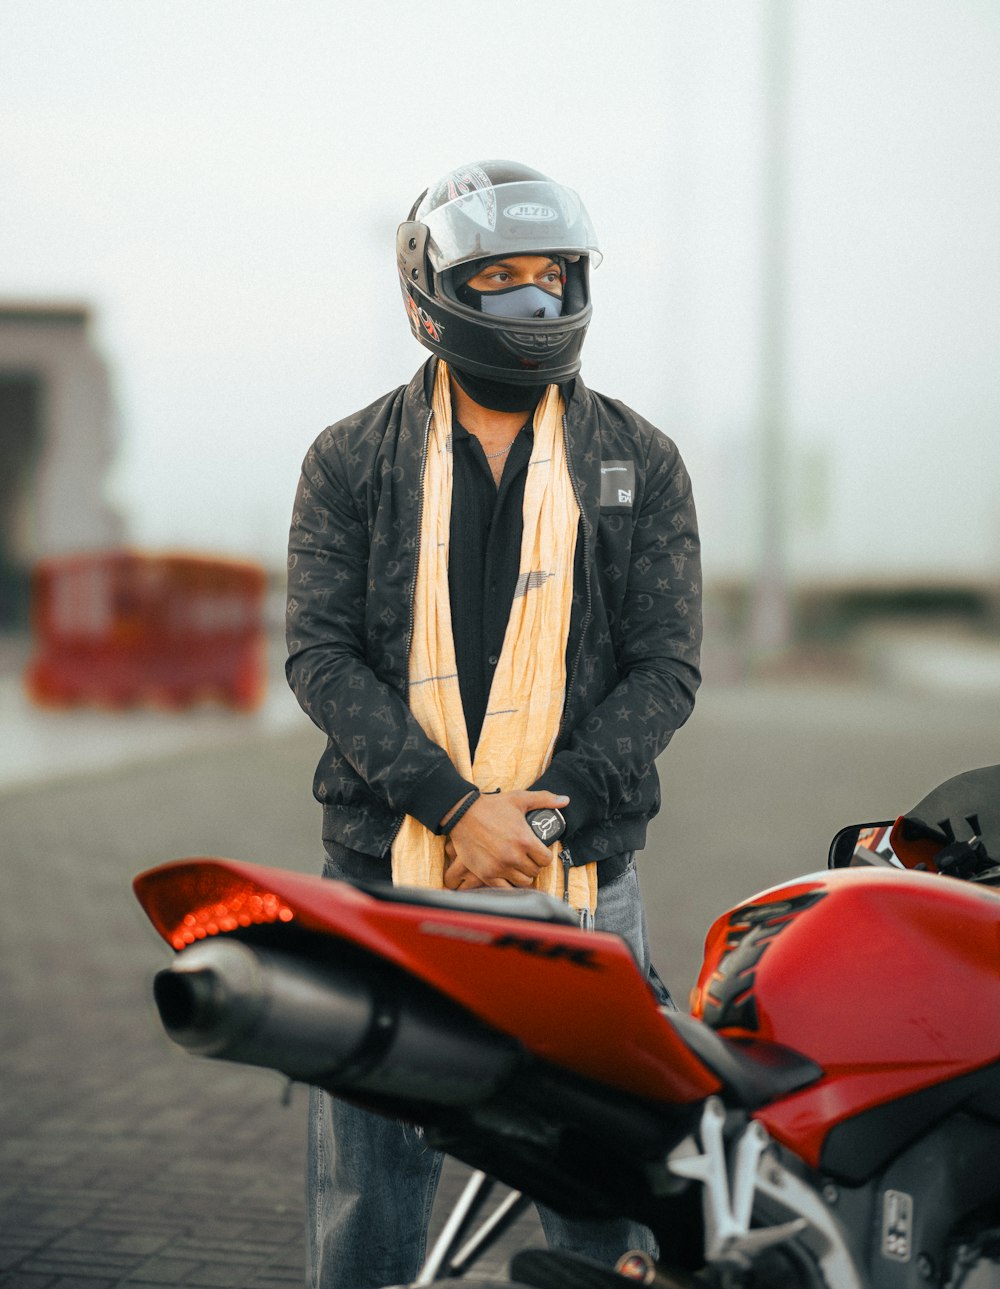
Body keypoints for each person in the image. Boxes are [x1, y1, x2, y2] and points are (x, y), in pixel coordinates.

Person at [286, 159, 702, 1289]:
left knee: (606, 1192)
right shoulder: (350, 460)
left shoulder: (637, 460)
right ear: (432, 301)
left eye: (552, 279)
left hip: (581, 880)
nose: (536, 304)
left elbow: (665, 670)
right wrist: (455, 809)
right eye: (503, 281)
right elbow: (319, 656)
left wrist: (538, 817)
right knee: (372, 1189)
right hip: (385, 872)